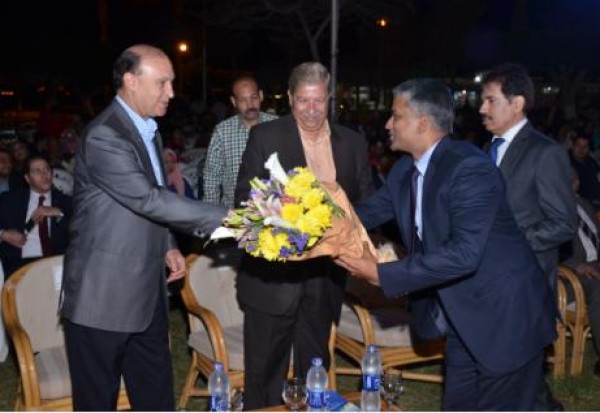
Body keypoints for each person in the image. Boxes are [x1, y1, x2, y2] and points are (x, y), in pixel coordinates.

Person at [335, 78, 557, 410]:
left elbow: (464, 253)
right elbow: (364, 213)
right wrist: (307, 221)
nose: (388, 124)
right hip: (462, 318)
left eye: (396, 116)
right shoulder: (404, 170)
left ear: (422, 124)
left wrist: (383, 274)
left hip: (505, 317)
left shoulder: (469, 168)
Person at [59, 44, 226, 411]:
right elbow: (149, 199)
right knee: (97, 403)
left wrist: (168, 244)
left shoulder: (149, 130)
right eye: (162, 82)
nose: (171, 92)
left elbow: (153, 197)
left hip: (147, 293)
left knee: (156, 398)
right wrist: (228, 218)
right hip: (102, 298)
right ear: (131, 81)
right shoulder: (105, 135)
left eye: (172, 82)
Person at [234, 62, 373, 409]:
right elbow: (244, 200)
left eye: (319, 101)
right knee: (265, 374)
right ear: (290, 99)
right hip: (273, 279)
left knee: (315, 370)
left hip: (324, 279)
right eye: (303, 101)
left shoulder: (352, 142)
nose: (311, 110)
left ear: (330, 98)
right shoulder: (265, 136)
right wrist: (287, 212)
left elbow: (366, 205)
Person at [479, 63, 577, 410]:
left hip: (524, 286)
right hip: (487, 282)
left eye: (490, 100)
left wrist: (511, 243)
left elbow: (563, 223)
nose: (482, 108)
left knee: (523, 382)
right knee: (502, 378)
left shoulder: (544, 152)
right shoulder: (487, 149)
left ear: (517, 103)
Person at [203, 75, 277, 208]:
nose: (250, 104)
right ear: (234, 101)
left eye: (253, 97)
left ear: (261, 96)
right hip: (233, 212)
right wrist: (212, 214)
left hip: (274, 210)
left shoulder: (276, 125)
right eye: (243, 100)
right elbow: (212, 177)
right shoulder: (222, 132)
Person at [0, 155, 72, 277]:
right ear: (27, 178)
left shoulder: (65, 202)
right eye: (37, 171)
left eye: (47, 170)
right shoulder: (9, 200)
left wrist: (58, 213)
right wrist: (3, 234)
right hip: (20, 266)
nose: (44, 175)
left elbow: (81, 232)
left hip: (57, 264)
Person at [562, 168, 600, 379]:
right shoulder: (549, 207)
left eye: (573, 178)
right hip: (570, 275)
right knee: (597, 286)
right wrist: (576, 265)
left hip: (595, 264)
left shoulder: (583, 204)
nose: (572, 182)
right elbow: (548, 247)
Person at [570, 133, 600, 210]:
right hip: (582, 206)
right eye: (578, 145)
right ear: (572, 146)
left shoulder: (591, 161)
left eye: (585, 146)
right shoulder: (566, 163)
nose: (581, 149)